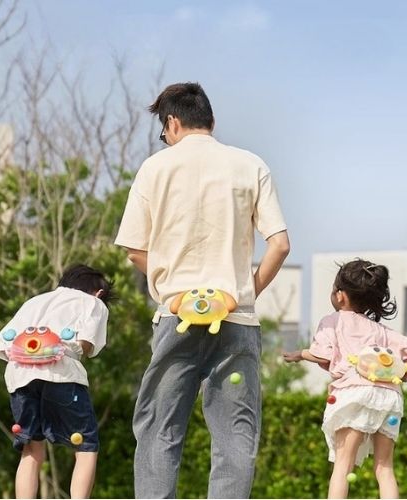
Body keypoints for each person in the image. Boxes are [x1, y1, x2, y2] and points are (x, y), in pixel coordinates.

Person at [115, 82, 290, 498]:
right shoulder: (250, 165)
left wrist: (172, 290)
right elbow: (280, 245)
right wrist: (246, 292)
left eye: (164, 132)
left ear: (172, 122)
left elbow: (134, 250)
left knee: (159, 428)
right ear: (210, 120)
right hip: (235, 319)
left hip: (176, 318)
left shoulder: (155, 169)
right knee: (235, 434)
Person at [283, 259, 407, 499]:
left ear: (340, 296)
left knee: (343, 465)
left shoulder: (333, 321)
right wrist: (405, 371)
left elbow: (323, 354)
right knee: (385, 468)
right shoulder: (381, 330)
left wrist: (300, 354)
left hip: (354, 395)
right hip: (389, 399)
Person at [0, 264, 114, 499]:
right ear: (99, 292)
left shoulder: (34, 301)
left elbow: (3, 346)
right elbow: (86, 345)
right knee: (86, 446)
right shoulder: (93, 302)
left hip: (19, 376)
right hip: (61, 374)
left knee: (31, 448)